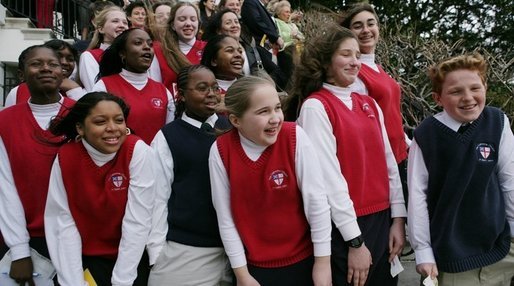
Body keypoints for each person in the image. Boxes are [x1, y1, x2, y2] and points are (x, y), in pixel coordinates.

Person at [286, 24, 406, 286]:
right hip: (347, 227)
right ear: (326, 61)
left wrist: (398, 220)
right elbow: (328, 180)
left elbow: (389, 165)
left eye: (357, 55)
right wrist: (355, 240)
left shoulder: (369, 103)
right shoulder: (316, 107)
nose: (354, 62)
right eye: (345, 55)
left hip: (383, 220)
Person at [209, 76, 332, 285]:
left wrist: (322, 264)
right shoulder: (221, 151)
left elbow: (317, 203)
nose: (275, 118)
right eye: (263, 112)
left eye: (277, 108)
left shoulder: (294, 136)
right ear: (235, 120)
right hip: (255, 268)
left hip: (305, 261)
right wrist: (242, 275)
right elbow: (226, 218)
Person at [407, 53, 514, 285]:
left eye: (475, 88)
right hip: (451, 255)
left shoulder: (497, 122)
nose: (468, 98)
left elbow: (510, 181)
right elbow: (417, 196)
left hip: (501, 247)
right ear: (438, 98)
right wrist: (423, 250)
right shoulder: (427, 135)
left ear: (485, 87)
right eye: (456, 92)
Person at [45, 91, 154, 286]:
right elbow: (62, 221)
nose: (113, 128)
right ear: (80, 128)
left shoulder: (137, 151)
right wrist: (73, 281)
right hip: (86, 258)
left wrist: (122, 282)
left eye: (119, 120)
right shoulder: (66, 157)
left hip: (132, 257)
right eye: (100, 122)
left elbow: (137, 222)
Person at [147, 65, 233, 285]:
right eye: (202, 88)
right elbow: (158, 197)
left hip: (236, 250)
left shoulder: (233, 128)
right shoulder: (169, 136)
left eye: (215, 87)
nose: (212, 93)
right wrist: (156, 253)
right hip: (188, 250)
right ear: (182, 95)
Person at [0, 45, 75, 286]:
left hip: (78, 236)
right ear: (21, 75)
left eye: (53, 64)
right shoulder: (5, 121)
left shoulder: (84, 115)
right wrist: (20, 249)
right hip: (29, 238)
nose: (46, 68)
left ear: (63, 72)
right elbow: (4, 187)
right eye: (36, 64)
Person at [341, 3, 409, 202]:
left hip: (400, 153)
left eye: (371, 24)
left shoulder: (377, 67)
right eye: (358, 26)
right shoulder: (355, 73)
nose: (366, 30)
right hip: (381, 159)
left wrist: (407, 141)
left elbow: (391, 113)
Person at [93, 28, 174, 144]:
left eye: (150, 44)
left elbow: (168, 135)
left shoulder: (163, 91)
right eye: (138, 43)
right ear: (123, 53)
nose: (147, 47)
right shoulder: (103, 86)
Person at [202, 9, 287, 89]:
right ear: (218, 30)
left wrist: (263, 84)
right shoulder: (211, 52)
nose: (234, 25)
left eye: (236, 22)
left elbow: (279, 73)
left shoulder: (255, 51)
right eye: (228, 23)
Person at [150, 2, 207, 98]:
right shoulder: (158, 50)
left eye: (193, 19)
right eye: (182, 19)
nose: (188, 23)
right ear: (172, 25)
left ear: (198, 24)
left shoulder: (208, 48)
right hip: (171, 110)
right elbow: (155, 87)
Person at [5, 40, 84, 107]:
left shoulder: (80, 90)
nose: (64, 62)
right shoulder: (18, 91)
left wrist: (75, 90)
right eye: (58, 57)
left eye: (70, 59)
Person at [80, 5, 129, 91]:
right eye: (115, 21)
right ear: (101, 29)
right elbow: (95, 90)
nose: (122, 25)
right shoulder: (89, 56)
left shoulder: (133, 55)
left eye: (125, 23)